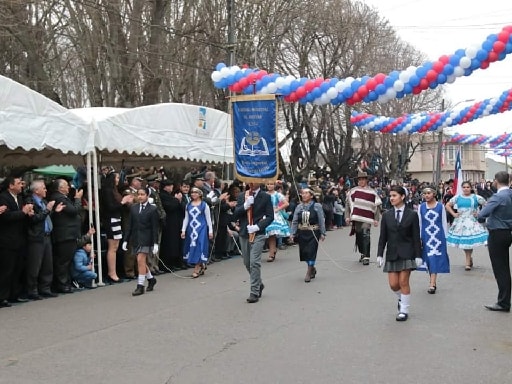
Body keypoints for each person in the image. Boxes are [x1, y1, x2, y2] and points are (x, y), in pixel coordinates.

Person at [376, 185, 422, 322]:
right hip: (392, 253)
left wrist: (418, 255)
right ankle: (402, 298)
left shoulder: (412, 215)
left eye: (394, 195)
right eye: (390, 196)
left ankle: (404, 310)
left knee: (403, 281)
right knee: (393, 284)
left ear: (402, 197)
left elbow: (415, 236)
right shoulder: (386, 215)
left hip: (407, 252)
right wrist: (379, 254)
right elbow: (383, 237)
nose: (391, 198)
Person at [233, 182, 274, 303]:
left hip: (258, 233)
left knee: (254, 262)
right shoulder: (242, 196)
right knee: (247, 262)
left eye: (254, 180)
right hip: (244, 233)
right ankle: (259, 283)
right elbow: (235, 214)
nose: (251, 183)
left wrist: (258, 226)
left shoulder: (265, 197)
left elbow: (270, 216)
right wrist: (245, 206)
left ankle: (254, 291)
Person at [478, 171, 512, 312]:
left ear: (496, 181)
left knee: (500, 269)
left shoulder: (498, 196)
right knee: (504, 267)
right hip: (508, 232)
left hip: (497, 233)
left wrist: (481, 218)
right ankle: (504, 300)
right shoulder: (510, 194)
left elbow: (482, 214)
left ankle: (503, 302)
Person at [25, 180, 63, 300]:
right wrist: (47, 210)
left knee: (47, 264)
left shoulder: (44, 201)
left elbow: (45, 218)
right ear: (36, 190)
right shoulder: (30, 202)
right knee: (35, 265)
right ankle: (32, 290)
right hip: (36, 237)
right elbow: (34, 219)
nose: (46, 190)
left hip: (47, 235)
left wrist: (52, 211)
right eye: (44, 188)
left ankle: (45, 288)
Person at [0, 176, 35, 307]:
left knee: (17, 268)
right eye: (19, 183)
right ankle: (3, 296)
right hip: (7, 240)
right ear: (10, 185)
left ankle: (15, 294)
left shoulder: (20, 198)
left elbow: (22, 215)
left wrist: (28, 214)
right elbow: (5, 217)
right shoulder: (3, 198)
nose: (21, 185)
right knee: (6, 270)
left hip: (20, 238)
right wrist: (23, 212)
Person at [122, 188, 159, 296]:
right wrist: (125, 240)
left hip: (147, 239)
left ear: (147, 195)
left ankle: (140, 286)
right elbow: (130, 225)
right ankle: (151, 279)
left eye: (143, 194)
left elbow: (154, 227)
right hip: (136, 238)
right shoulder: (134, 208)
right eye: (139, 194)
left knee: (140, 260)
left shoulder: (152, 209)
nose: (140, 196)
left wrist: (155, 243)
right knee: (141, 262)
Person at [445, 181, 488, 271]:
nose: (466, 189)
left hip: (472, 222)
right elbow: (448, 205)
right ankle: (469, 258)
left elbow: (487, 205)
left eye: (467, 187)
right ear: (462, 188)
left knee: (469, 242)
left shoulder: (476, 197)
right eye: (464, 187)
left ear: (471, 188)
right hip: (460, 222)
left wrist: (479, 213)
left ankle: (467, 262)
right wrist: (454, 214)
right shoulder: (457, 197)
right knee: (464, 242)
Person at [50, 179, 83, 294]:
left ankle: (66, 282)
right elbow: (74, 210)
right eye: (65, 185)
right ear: (60, 188)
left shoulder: (62, 197)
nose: (68, 187)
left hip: (68, 234)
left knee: (66, 260)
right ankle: (62, 284)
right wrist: (77, 199)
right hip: (65, 234)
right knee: (63, 261)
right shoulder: (59, 198)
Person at [100, 171, 132, 283]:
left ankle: (113, 271)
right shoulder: (107, 191)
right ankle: (112, 272)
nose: (118, 180)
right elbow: (111, 207)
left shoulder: (114, 191)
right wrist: (123, 202)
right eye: (117, 177)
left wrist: (125, 202)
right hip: (111, 220)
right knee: (112, 247)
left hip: (116, 219)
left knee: (115, 246)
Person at [290, 188, 326, 283]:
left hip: (313, 232)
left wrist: (323, 232)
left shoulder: (317, 206)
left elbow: (321, 219)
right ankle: (312, 268)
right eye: (303, 193)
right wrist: (292, 233)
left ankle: (308, 272)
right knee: (304, 253)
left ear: (311, 195)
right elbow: (295, 221)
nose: (304, 195)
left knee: (311, 252)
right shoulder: (299, 207)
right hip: (302, 232)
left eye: (306, 193)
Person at [345, 171, 382, 265]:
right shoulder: (353, 191)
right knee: (359, 236)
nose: (361, 181)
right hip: (356, 217)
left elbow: (377, 206)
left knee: (366, 234)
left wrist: (376, 219)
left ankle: (366, 256)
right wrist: (347, 216)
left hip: (367, 218)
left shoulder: (372, 192)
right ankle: (362, 252)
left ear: (366, 180)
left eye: (363, 179)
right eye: (359, 179)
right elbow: (348, 204)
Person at [418, 186, 450, 294]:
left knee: (435, 258)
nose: (426, 195)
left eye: (429, 193)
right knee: (428, 258)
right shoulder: (421, 207)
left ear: (434, 194)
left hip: (438, 237)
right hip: (426, 236)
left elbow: (444, 222)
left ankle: (432, 283)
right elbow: (420, 223)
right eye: (425, 193)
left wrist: (445, 238)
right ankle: (432, 280)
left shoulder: (440, 206)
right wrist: (418, 237)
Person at [181, 187, 213, 278]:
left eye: (195, 192)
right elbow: (186, 218)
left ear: (200, 194)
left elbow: (208, 219)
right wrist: (183, 230)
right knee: (192, 246)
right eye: (192, 193)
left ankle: (197, 268)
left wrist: (210, 231)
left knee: (199, 246)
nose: (193, 194)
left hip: (201, 229)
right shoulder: (188, 205)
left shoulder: (204, 205)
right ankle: (201, 265)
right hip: (191, 229)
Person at [264, 181, 290, 262]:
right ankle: (273, 250)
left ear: (274, 185)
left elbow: (286, 203)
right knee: (267, 235)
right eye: (268, 184)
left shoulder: (277, 194)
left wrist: (278, 209)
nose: (269, 185)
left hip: (275, 216)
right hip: (265, 215)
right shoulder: (264, 194)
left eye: (271, 184)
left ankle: (271, 254)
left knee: (272, 235)